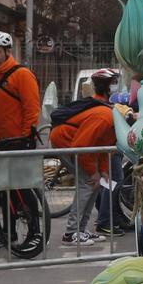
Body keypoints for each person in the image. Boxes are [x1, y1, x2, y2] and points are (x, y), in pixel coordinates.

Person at [0, 31, 42, 251]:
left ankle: (35, 233)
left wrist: (27, 136)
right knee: (2, 191)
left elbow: (32, 108)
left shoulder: (21, 75)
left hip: (19, 141)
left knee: (23, 189)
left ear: (8, 52)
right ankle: (8, 232)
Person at [49, 69, 118, 245]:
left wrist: (103, 171)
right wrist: (93, 172)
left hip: (78, 145)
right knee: (88, 183)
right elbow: (82, 146)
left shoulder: (109, 113)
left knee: (94, 185)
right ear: (109, 87)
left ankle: (81, 230)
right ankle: (71, 233)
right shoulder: (105, 116)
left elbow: (103, 146)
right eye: (114, 82)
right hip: (66, 141)